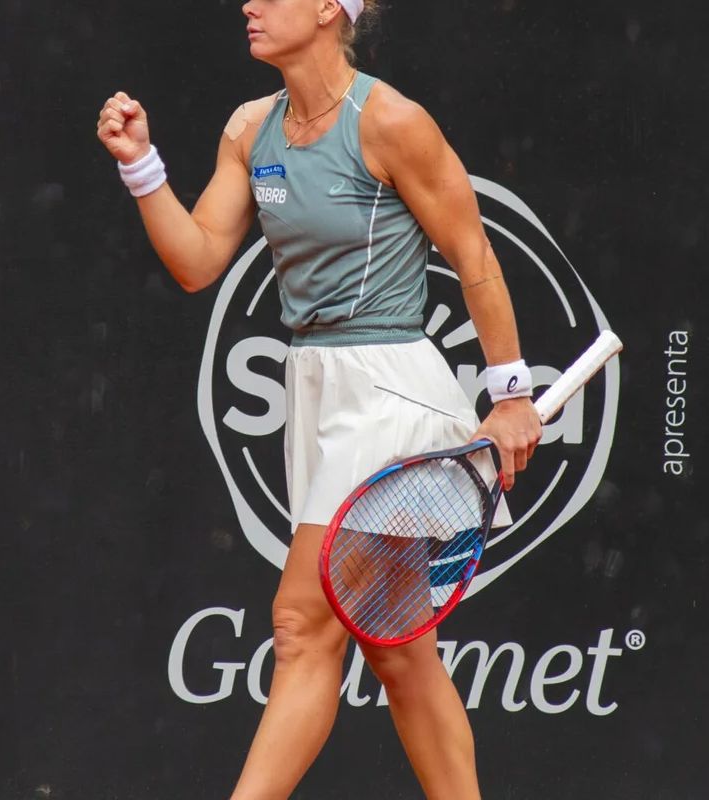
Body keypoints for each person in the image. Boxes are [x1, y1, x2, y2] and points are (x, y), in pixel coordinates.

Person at [95, 1, 540, 797]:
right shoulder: (249, 129)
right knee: (400, 653)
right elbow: (197, 261)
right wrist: (141, 166)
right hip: (316, 394)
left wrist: (511, 395)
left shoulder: (391, 122)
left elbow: (473, 252)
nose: (249, 5)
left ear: (330, 8)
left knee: (301, 626)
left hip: (390, 395)